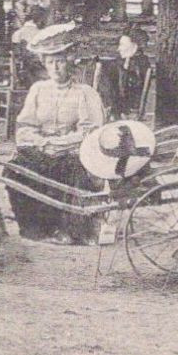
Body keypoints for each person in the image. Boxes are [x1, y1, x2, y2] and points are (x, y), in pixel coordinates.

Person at [7, 27, 105, 243]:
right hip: (43, 149)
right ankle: (36, 228)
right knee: (15, 169)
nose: (55, 67)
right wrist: (42, 143)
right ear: (44, 64)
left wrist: (59, 144)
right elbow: (24, 127)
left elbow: (90, 132)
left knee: (72, 171)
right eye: (50, 62)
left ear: (70, 63)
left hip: (71, 151)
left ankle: (68, 229)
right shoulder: (38, 90)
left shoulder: (85, 93)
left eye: (60, 61)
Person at [99, 26, 155, 122]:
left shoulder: (139, 67)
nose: (119, 49)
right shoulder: (122, 63)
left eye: (122, 45)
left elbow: (128, 92)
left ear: (135, 47)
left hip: (127, 112)